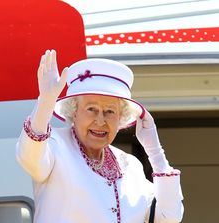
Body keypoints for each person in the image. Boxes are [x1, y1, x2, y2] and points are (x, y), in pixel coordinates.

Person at [16, 50, 184, 223]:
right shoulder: (54, 145)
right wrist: (45, 102)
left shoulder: (131, 165)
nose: (100, 120)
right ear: (74, 112)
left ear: (121, 118)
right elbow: (29, 157)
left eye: (110, 111)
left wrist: (155, 151)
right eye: (91, 109)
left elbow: (169, 217)